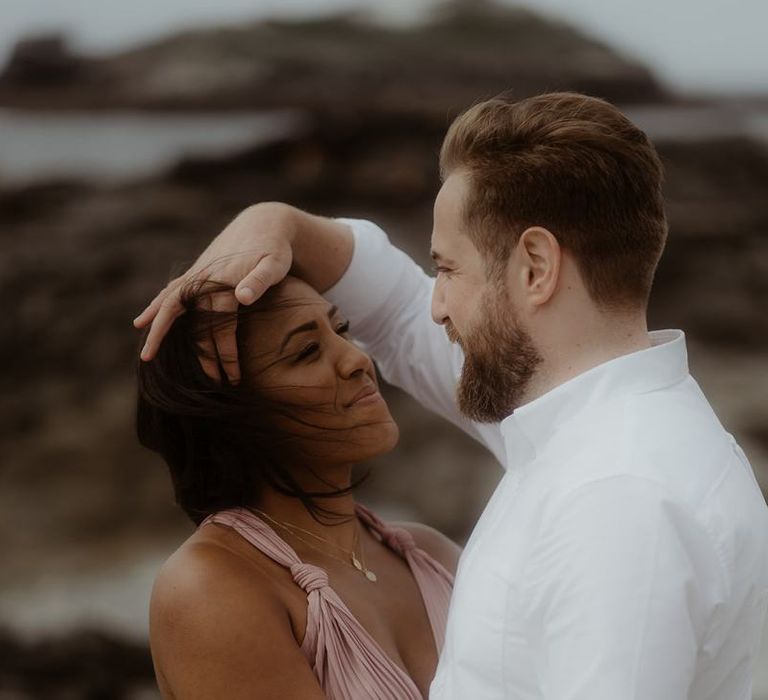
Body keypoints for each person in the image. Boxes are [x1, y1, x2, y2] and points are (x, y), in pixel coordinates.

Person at [135, 92, 768, 699]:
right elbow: (393, 310)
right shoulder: (592, 431)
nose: (436, 306)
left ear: (536, 268)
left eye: (447, 270)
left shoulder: (618, 499)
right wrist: (271, 222)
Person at [136, 274, 462, 699]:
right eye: (308, 351)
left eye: (341, 329)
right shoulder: (209, 589)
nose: (356, 360)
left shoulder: (429, 555)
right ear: (233, 416)